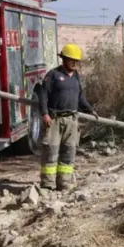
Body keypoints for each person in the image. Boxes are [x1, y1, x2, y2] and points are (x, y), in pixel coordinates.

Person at [38, 43, 98, 190]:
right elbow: (43, 96)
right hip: (54, 120)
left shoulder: (76, 76)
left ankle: (64, 183)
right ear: (64, 59)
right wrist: (45, 114)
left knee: (69, 152)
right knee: (51, 152)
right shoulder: (53, 75)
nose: (74, 63)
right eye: (71, 60)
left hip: (71, 120)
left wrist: (90, 110)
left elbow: (80, 97)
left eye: (76, 61)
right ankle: (48, 185)